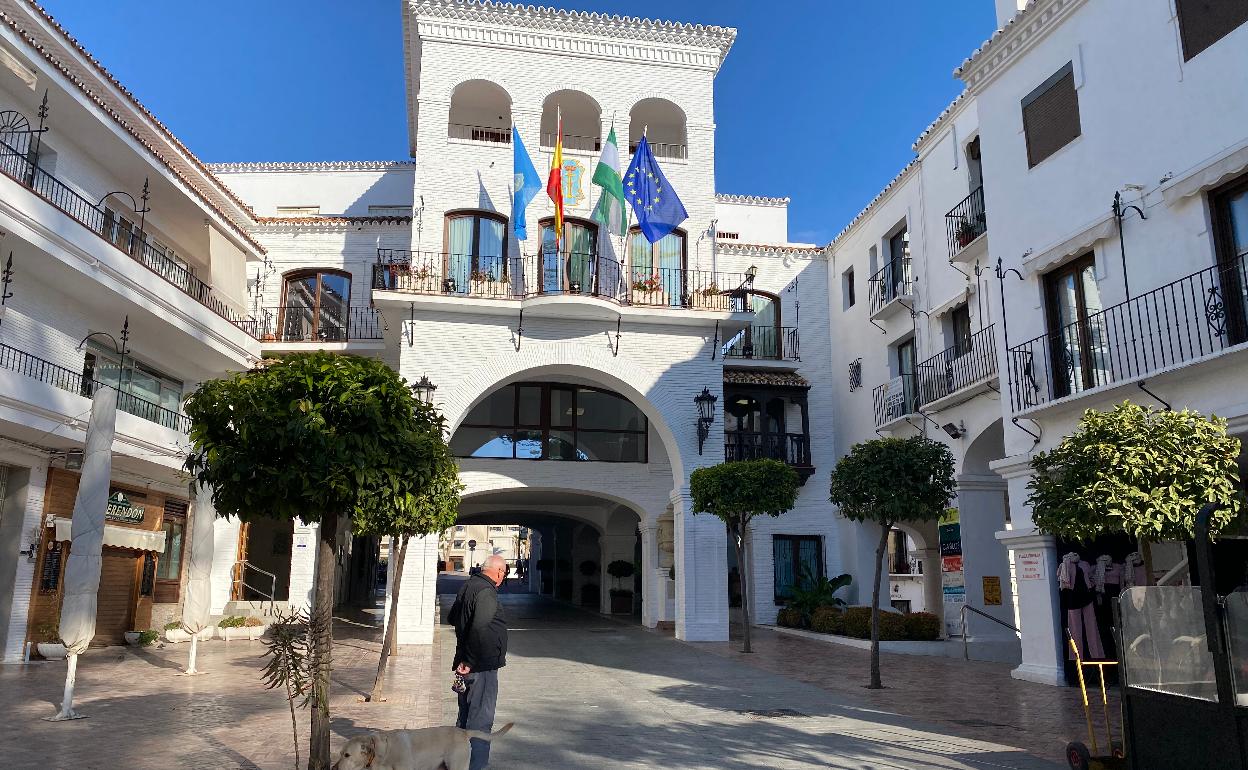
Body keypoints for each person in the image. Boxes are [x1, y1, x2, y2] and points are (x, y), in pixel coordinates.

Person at [448, 553, 508, 770]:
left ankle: (457, 764)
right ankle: (476, 766)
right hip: (480, 666)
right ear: (498, 572)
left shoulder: (469, 585)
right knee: (480, 722)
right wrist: (470, 660)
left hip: (466, 664)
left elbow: (453, 617)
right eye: (504, 572)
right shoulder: (486, 592)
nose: (503, 577)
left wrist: (464, 658)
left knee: (464, 720)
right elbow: (480, 628)